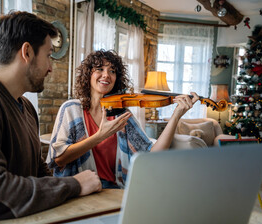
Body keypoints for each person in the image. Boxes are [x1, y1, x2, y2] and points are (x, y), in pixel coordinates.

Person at [0, 11, 101, 222]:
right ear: (27, 52)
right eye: (48, 55)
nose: (51, 68)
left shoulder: (27, 107)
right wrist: (74, 185)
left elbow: (38, 172)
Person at [47, 50, 199, 189]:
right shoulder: (71, 109)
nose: (106, 75)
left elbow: (153, 154)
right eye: (100, 69)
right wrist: (100, 136)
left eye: (112, 71)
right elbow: (59, 159)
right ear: (88, 74)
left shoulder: (121, 114)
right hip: (80, 190)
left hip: (115, 191)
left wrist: (176, 115)